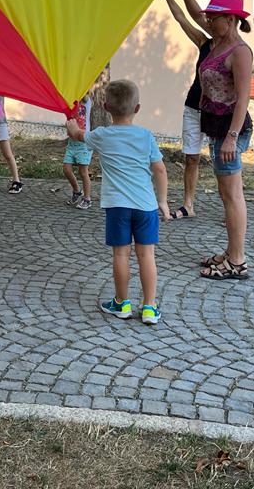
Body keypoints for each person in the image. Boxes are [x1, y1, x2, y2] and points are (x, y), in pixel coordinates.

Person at [67, 80, 169, 325]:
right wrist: (162, 201)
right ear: (137, 108)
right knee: (146, 256)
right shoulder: (146, 137)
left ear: (106, 106)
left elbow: (79, 135)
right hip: (145, 206)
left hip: (117, 207)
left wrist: (71, 123)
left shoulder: (102, 136)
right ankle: (148, 307)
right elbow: (160, 171)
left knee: (120, 255)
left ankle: (121, 303)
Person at [197, 0, 254, 281]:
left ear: (229, 19)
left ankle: (238, 261)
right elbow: (193, 16)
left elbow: (243, 99)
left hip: (230, 130)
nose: (208, 20)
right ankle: (231, 252)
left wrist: (231, 137)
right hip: (217, 127)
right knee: (225, 194)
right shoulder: (218, 44)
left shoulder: (240, 52)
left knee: (232, 195)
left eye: (213, 17)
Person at [156, 0, 213, 219]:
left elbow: (197, 14)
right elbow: (184, 19)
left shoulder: (235, 49)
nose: (208, 21)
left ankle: (231, 206)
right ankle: (188, 204)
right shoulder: (204, 42)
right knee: (191, 158)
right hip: (194, 106)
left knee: (224, 162)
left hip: (217, 111)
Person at [63, 93, 93, 209]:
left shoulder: (86, 101)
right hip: (72, 143)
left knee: (83, 172)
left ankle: (87, 198)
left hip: (83, 143)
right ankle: (76, 190)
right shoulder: (70, 99)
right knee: (66, 169)